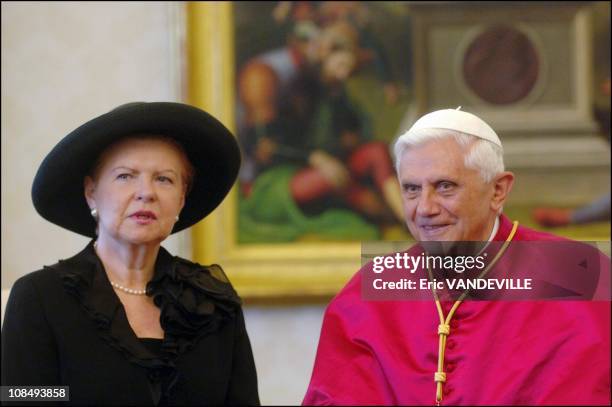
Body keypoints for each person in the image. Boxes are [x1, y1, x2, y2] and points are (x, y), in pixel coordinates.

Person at [303, 108, 610, 405]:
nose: (424, 208)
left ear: (498, 191)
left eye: (445, 186)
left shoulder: (579, 276)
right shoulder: (367, 291)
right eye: (411, 189)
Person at [1, 102, 260, 405]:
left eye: (164, 179)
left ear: (181, 200)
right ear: (91, 192)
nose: (146, 192)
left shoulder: (212, 301)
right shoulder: (41, 298)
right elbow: (25, 399)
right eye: (125, 176)